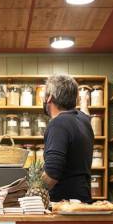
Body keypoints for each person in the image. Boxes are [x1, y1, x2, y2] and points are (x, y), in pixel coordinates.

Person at [41, 74, 94, 203]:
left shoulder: (58, 124)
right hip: (82, 200)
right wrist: (84, 101)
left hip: (63, 206)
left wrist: (32, 190)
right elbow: (85, 113)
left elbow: (53, 172)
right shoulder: (83, 121)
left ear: (50, 98)